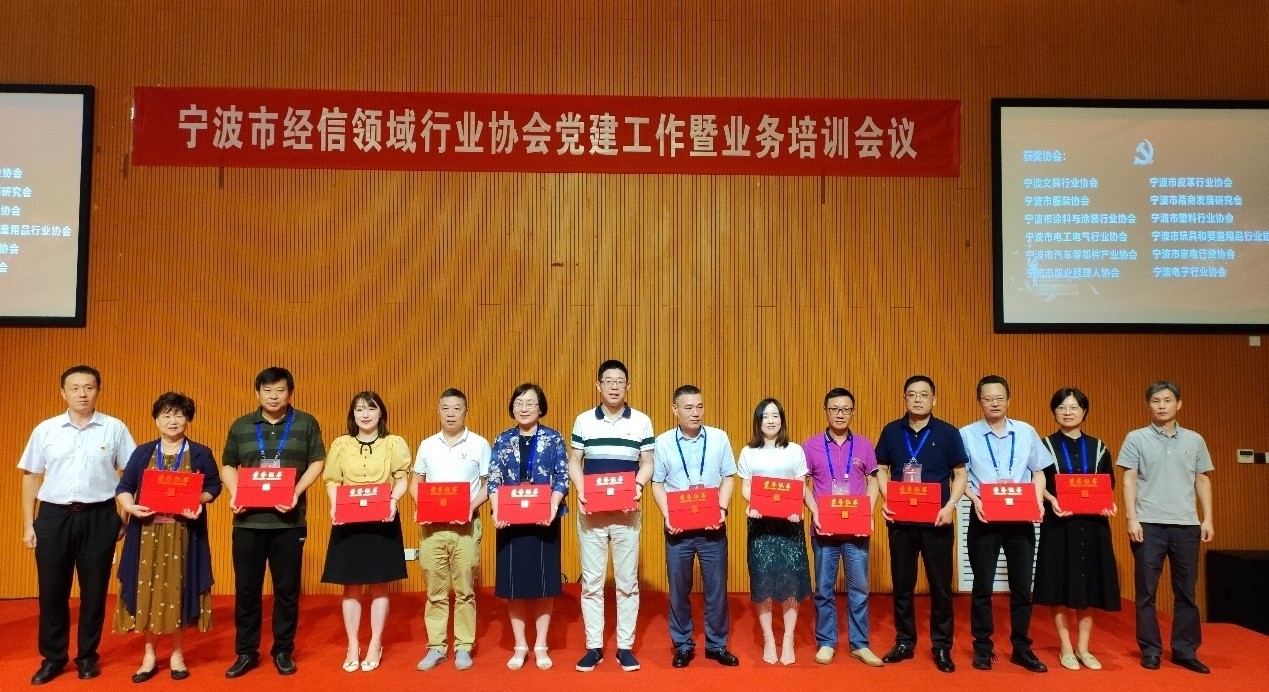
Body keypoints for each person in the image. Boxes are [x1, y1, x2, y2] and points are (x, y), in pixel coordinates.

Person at [19, 365, 137, 685]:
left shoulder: (114, 428)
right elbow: (31, 476)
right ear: (63, 393)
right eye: (74, 388)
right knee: (52, 592)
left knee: (94, 592)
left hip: (100, 516)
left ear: (98, 390)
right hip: (53, 517)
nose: (82, 394)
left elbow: (131, 475)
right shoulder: (46, 430)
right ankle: (53, 658)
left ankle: (87, 656)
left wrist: (123, 517)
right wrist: (29, 524)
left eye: (88, 387)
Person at [220, 366, 326, 678]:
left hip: (289, 523)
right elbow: (228, 464)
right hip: (247, 522)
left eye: (280, 390)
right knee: (247, 590)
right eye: (267, 390)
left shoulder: (306, 423)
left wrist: (296, 492)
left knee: (287, 591)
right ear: (257, 393)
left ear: (290, 392)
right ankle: (246, 652)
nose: (274, 396)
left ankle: (282, 650)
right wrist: (235, 492)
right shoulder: (242, 425)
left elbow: (317, 461)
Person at [113, 392, 222, 682]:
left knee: (179, 587)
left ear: (188, 419)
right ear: (156, 419)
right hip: (146, 532)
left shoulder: (200, 453)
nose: (172, 421)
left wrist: (199, 500)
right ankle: (149, 654)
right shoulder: (142, 452)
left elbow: (214, 486)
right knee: (145, 588)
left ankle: (177, 653)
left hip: (184, 533)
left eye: (179, 415)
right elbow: (124, 487)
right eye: (166, 415)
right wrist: (129, 507)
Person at [1118, 380, 1214, 674]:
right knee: (1146, 592)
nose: (1162, 406)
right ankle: (1151, 650)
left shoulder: (1194, 440)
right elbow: (1129, 480)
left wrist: (1207, 518)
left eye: (1168, 400)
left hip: (1187, 525)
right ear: (1148, 405)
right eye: (1156, 401)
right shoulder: (1136, 438)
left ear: (1179, 404)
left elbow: (1202, 479)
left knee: (1186, 593)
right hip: (1148, 525)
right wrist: (1131, 518)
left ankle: (1185, 651)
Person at [875, 375, 966, 673]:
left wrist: (951, 506)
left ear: (934, 399)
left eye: (924, 395)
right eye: (912, 394)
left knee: (941, 587)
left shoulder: (948, 433)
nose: (917, 399)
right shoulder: (891, 431)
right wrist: (888, 499)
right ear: (904, 398)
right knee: (902, 584)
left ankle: (942, 646)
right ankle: (905, 641)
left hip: (937, 521)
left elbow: (960, 474)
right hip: (901, 520)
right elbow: (882, 468)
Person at [567, 360, 654, 672]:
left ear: (627, 386)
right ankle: (594, 647)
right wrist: (580, 489)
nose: (614, 386)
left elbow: (647, 462)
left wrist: (638, 486)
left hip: (627, 514)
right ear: (598, 386)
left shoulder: (641, 421)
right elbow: (575, 461)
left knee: (627, 582)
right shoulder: (584, 421)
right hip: (591, 513)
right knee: (591, 582)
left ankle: (625, 647)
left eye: (620, 381)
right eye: (608, 381)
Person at [961, 374, 1051, 673]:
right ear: (980, 401)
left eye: (1000, 398)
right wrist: (974, 499)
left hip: (1020, 519)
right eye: (988, 398)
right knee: (982, 586)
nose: (995, 403)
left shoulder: (1026, 432)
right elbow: (959, 476)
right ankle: (982, 647)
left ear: (1008, 400)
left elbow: (1039, 471)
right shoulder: (966, 434)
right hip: (984, 517)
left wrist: (1037, 501)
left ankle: (1021, 648)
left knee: (1022, 587)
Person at [650, 385, 740, 668]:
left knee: (717, 590)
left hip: (712, 526)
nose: (695, 413)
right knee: (679, 590)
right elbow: (657, 483)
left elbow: (728, 477)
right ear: (675, 410)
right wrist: (667, 515)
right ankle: (683, 644)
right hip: (678, 528)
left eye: (699, 406)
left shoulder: (719, 437)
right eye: (688, 407)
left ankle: (716, 644)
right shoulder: (663, 442)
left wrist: (722, 509)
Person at [320, 391, 409, 672]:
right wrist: (335, 507)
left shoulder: (393, 443)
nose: (365, 414)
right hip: (349, 520)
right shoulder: (341, 444)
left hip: (383, 518)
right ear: (353, 415)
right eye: (359, 409)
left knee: (380, 583)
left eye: (371, 409)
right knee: (351, 585)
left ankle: (375, 643)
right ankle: (352, 644)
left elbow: (401, 478)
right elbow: (332, 480)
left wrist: (393, 500)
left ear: (381, 413)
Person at [1032, 387, 1120, 672]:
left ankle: (1084, 647)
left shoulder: (1099, 447)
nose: (1067, 412)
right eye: (1061, 407)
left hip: (1093, 525)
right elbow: (1038, 482)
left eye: (1073, 407)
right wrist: (1051, 500)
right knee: (1058, 584)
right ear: (1054, 411)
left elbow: (1107, 483)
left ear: (1084, 412)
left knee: (1089, 584)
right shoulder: (1044, 445)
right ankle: (1066, 647)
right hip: (1059, 523)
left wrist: (1107, 504)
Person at [488, 383, 569, 671]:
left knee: (544, 585)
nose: (524, 408)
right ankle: (520, 645)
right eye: (519, 403)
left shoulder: (554, 439)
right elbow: (493, 479)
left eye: (530, 403)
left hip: (544, 518)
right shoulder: (502, 439)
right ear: (512, 407)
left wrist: (552, 507)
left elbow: (562, 477)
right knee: (514, 586)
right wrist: (497, 510)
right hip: (510, 521)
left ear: (540, 408)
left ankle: (541, 645)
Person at [411, 388, 490, 672]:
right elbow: (416, 481)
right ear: (438, 411)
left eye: (457, 408)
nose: (451, 413)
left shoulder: (479, 444)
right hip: (432, 528)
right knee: (435, 589)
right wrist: (421, 505)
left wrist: (469, 507)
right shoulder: (427, 445)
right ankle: (435, 646)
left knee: (465, 590)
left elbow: (488, 484)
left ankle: (463, 646)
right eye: (445, 408)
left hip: (466, 527)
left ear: (466, 411)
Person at [802, 387, 882, 667]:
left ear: (852, 412)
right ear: (825, 411)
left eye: (846, 409)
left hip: (856, 530)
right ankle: (826, 641)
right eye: (835, 409)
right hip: (824, 529)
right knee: (824, 589)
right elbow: (803, 485)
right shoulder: (811, 445)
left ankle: (860, 644)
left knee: (859, 589)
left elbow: (873, 481)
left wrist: (867, 513)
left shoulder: (864, 445)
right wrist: (815, 512)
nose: (840, 414)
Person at [738, 398, 812, 666]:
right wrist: (754, 504)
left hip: (789, 524)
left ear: (782, 419)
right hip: (761, 525)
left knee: (791, 580)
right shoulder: (748, 452)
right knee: (764, 581)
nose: (771, 421)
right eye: (765, 416)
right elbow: (746, 487)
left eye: (775, 415)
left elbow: (800, 486)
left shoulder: (794, 450)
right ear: (758, 421)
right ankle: (769, 637)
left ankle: (789, 638)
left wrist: (795, 508)